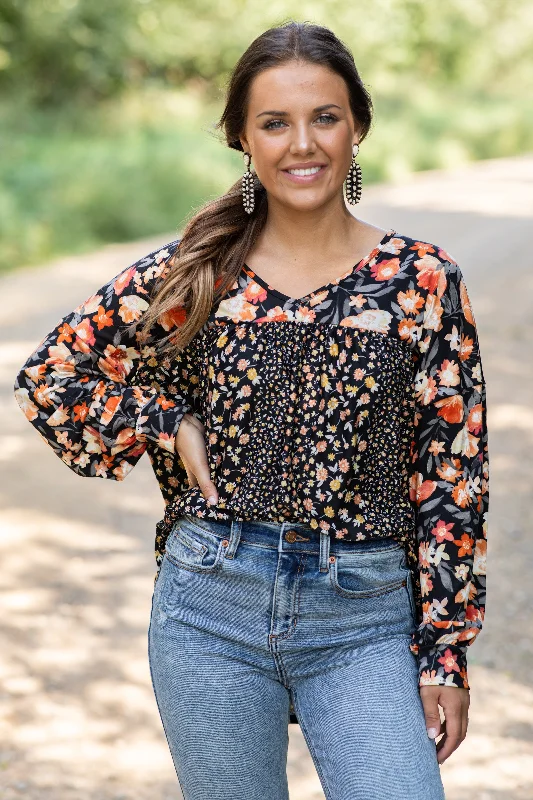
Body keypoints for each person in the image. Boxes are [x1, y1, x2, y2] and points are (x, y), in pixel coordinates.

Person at [13, 20, 488, 800]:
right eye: (275, 122)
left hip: (362, 618)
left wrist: (444, 654)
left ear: (356, 125)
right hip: (210, 608)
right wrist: (165, 421)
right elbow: (52, 377)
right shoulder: (198, 274)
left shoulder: (420, 281)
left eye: (324, 117)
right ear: (242, 138)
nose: (302, 144)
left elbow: (452, 478)